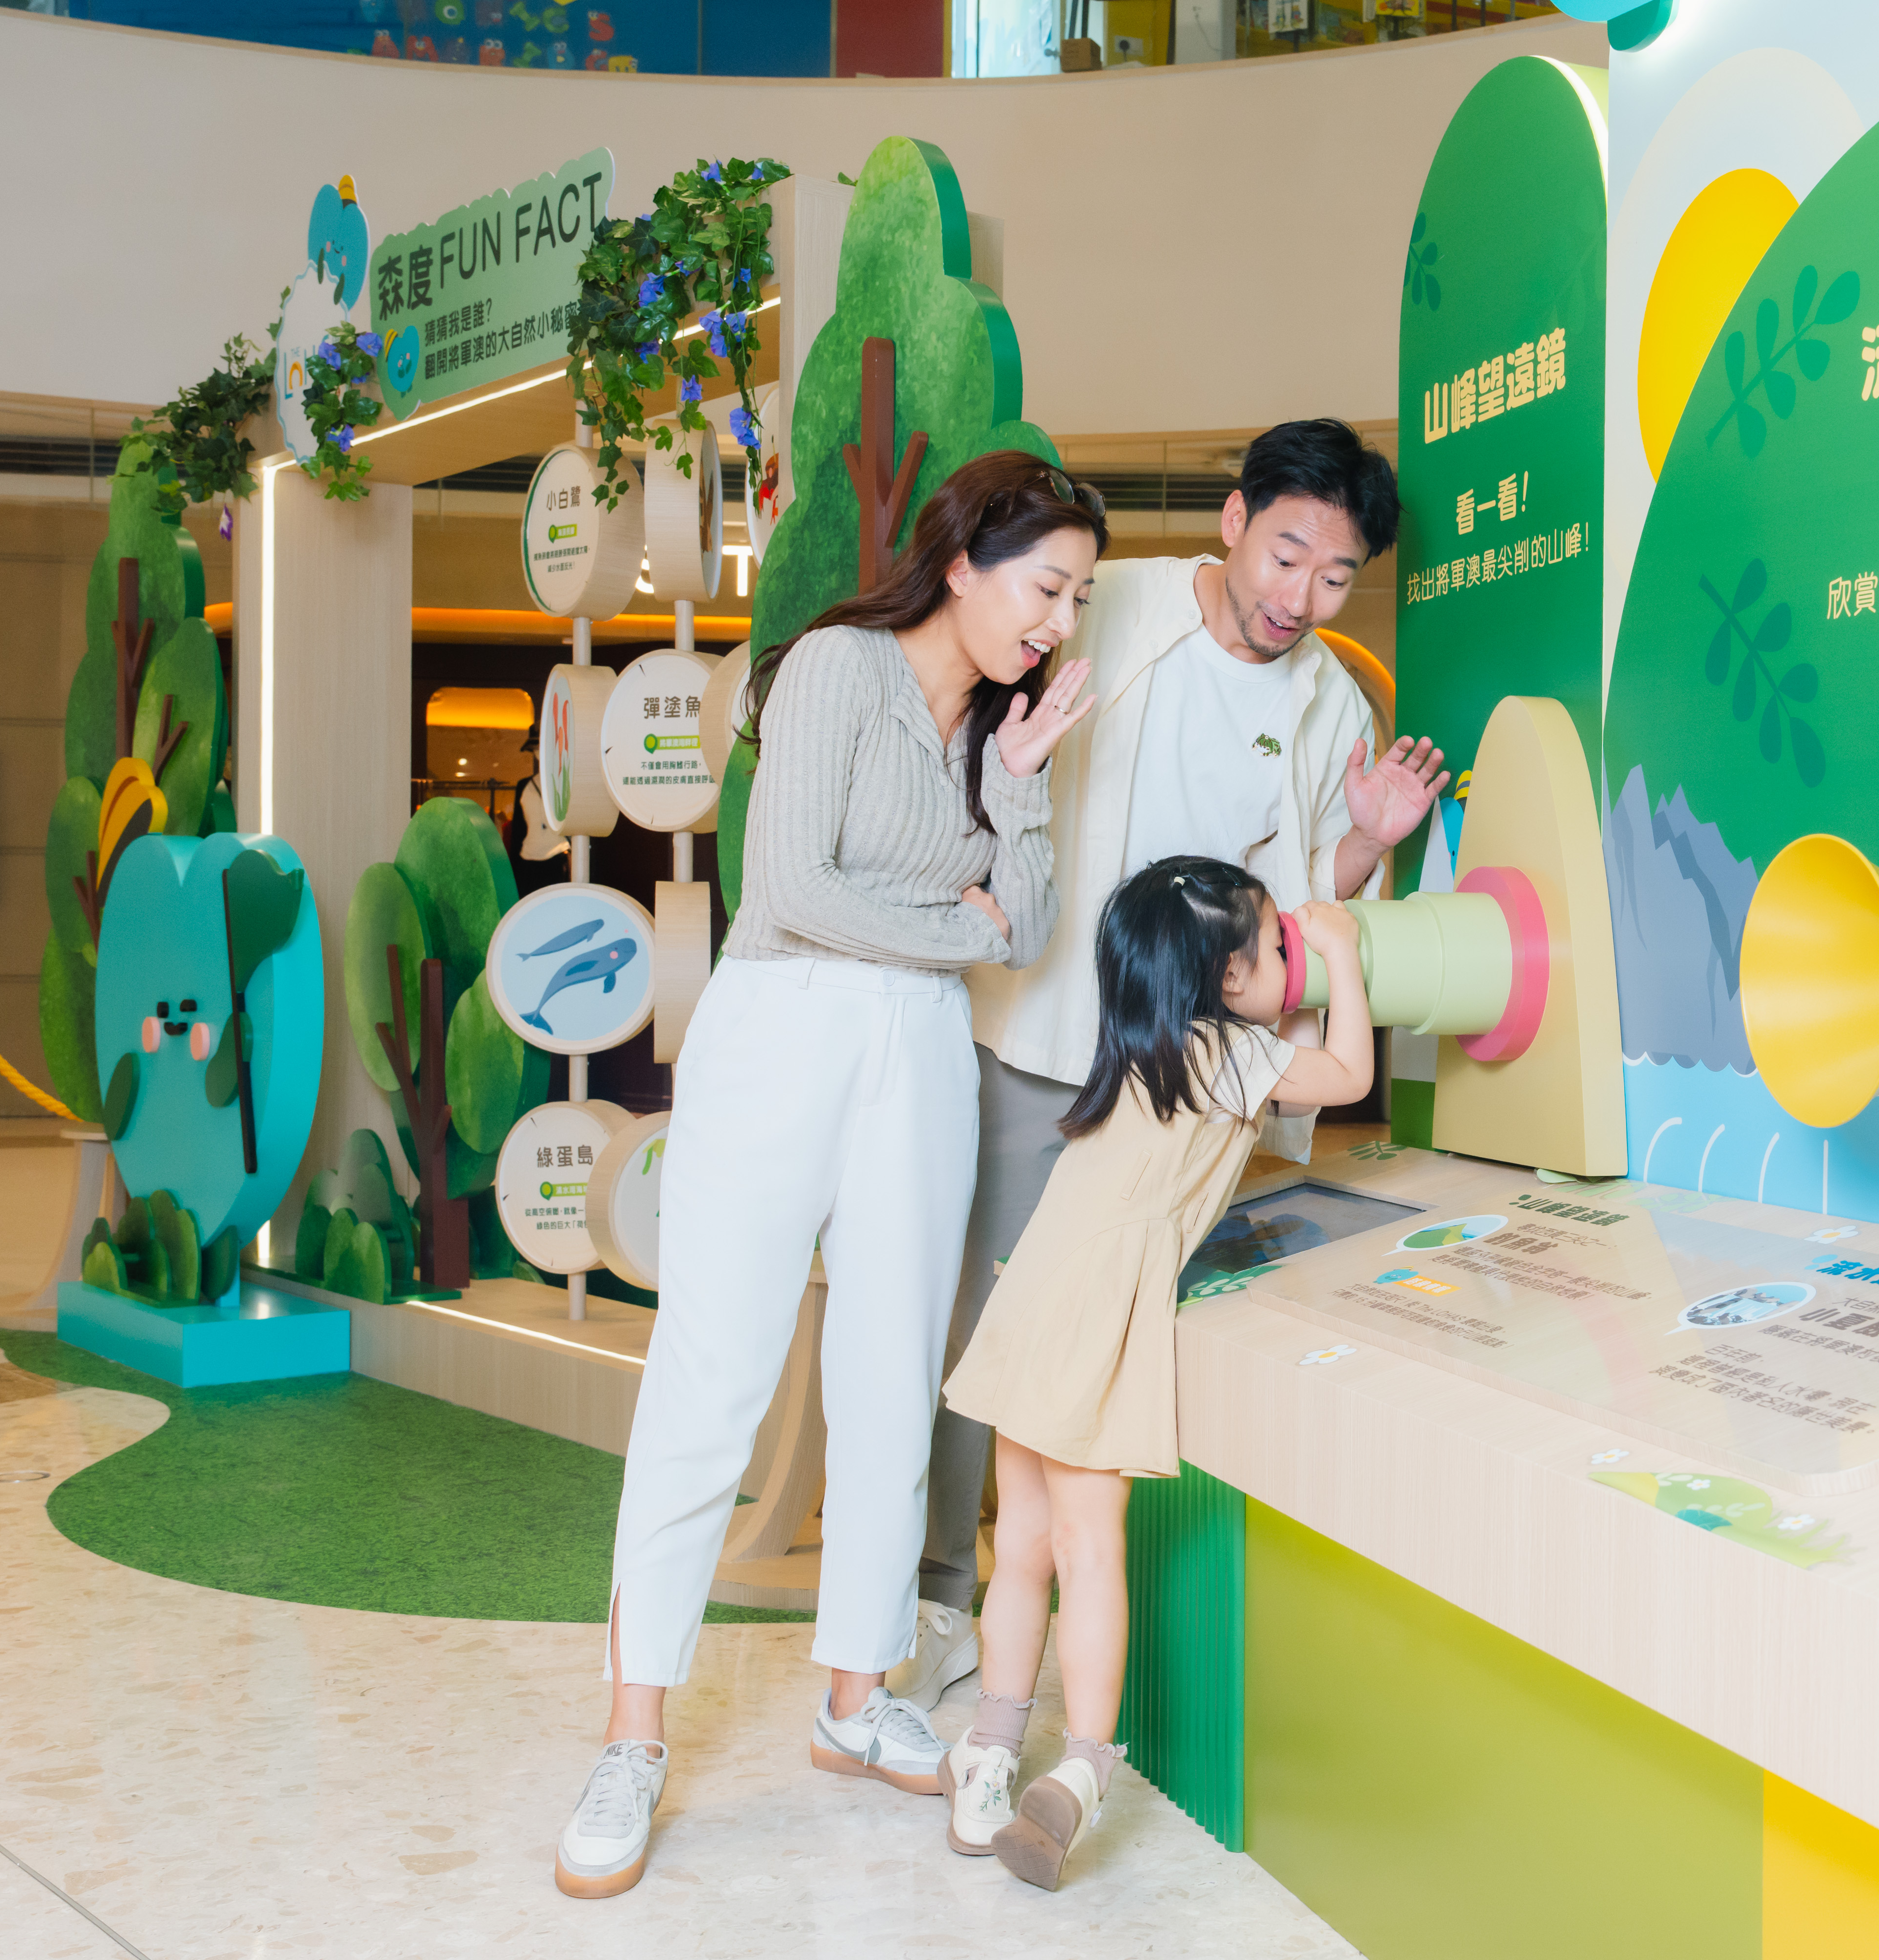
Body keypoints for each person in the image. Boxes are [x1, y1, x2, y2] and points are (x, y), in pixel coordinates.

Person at [553, 452, 1110, 1900]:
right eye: (1047, 587)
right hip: (783, 1024)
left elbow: (1032, 919)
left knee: (892, 1381)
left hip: (919, 1050)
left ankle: (857, 1697)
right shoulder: (833, 671)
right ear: (965, 560)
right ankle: (631, 1735)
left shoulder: (1001, 729)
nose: (1059, 622)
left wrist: (1020, 788)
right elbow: (795, 891)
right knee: (714, 1374)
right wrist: (964, 928)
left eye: (1079, 601)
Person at [890, 418, 1446, 1702]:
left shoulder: (1332, 701)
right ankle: (937, 1596)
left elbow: (1308, 897)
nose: (1300, 595)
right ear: (1234, 520)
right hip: (1045, 1036)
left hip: (1188, 1081)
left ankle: (1078, 1623)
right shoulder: (1112, 605)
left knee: (1128, 1333)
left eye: (1336, 575)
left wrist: (1368, 842)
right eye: (1287, 554)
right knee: (986, 1319)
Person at [935, 857, 1376, 1887]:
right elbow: (1349, 1074)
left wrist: (1289, 976)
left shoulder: (1153, 1045)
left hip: (1033, 1291)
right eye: (1276, 945)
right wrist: (1345, 953)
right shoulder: (1233, 1055)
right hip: (1096, 1317)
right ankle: (1082, 1768)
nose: (1292, 956)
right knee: (1092, 1548)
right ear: (1227, 978)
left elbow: (1284, 1046)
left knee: (1025, 1543)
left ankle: (989, 1754)